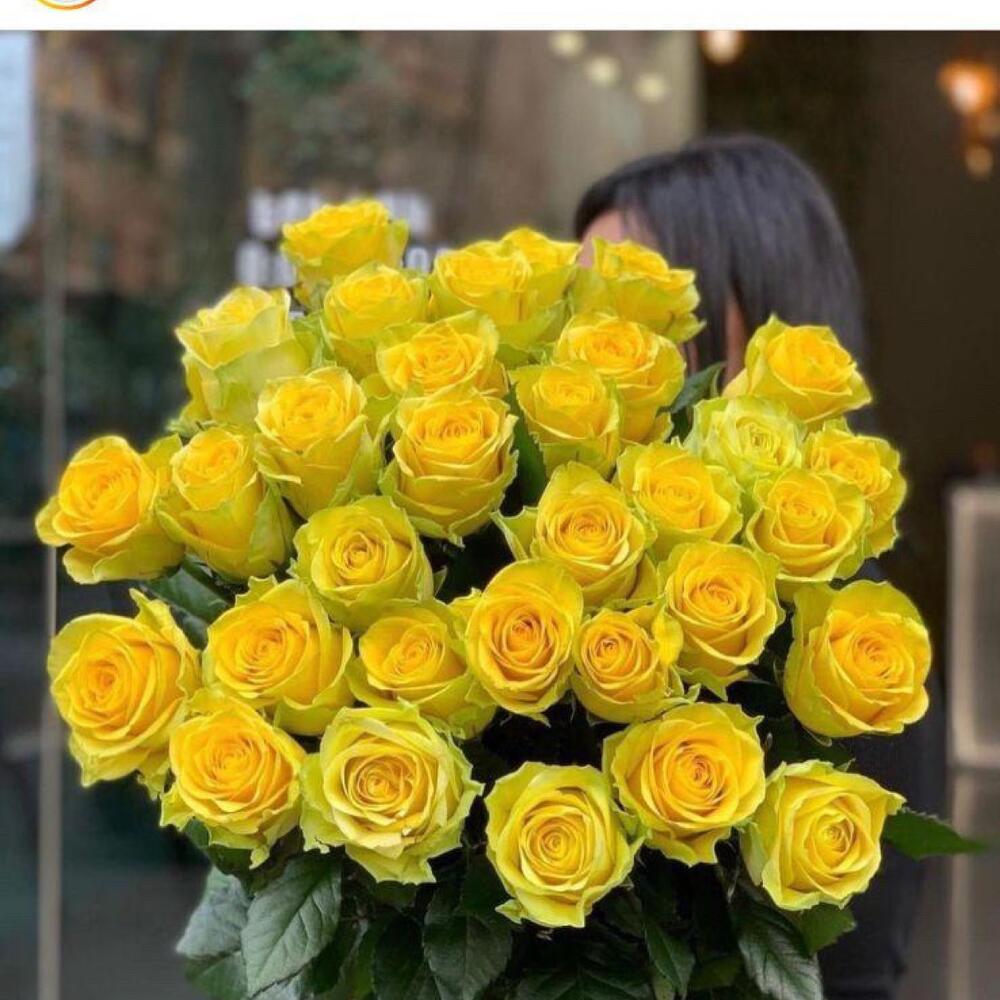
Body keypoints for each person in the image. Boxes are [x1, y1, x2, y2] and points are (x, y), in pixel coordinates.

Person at [575, 134, 946, 1000]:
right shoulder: (560, 597)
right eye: (580, 304)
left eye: (642, 303)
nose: (595, 342)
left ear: (769, 312)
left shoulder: (850, 651)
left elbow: (849, 978)